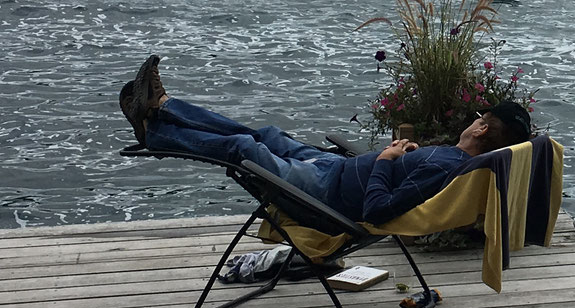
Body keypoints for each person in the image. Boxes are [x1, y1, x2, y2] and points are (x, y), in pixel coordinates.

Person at [118, 55, 533, 225]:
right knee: (267, 135)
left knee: (244, 150)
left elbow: (377, 211)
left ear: (480, 129)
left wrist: (387, 159)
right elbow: (406, 179)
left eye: (480, 117)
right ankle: (164, 107)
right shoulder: (450, 160)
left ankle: (157, 129)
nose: (474, 119)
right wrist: (404, 154)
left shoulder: (448, 167)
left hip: (327, 196)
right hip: (332, 168)